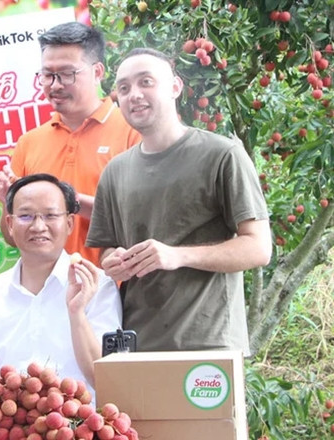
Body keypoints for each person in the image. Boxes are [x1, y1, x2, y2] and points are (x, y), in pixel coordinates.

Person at [86, 48, 273, 355]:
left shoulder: (222, 155)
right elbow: (106, 250)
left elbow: (258, 248)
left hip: (209, 344)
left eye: (146, 82)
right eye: (124, 88)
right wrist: (114, 262)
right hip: (135, 343)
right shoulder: (114, 171)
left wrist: (177, 255)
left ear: (175, 87)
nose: (134, 95)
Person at [0, 22, 141, 266]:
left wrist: (65, 200)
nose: (55, 85)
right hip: (50, 286)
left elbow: (143, 217)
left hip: (117, 282)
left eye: (68, 74)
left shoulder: (132, 132)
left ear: (97, 72)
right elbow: (12, 239)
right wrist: (9, 203)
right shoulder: (29, 143)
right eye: (47, 75)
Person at [0, 174, 122, 389]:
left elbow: (106, 380)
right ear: (10, 224)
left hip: (81, 410)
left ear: (69, 223)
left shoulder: (97, 286)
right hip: (9, 410)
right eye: (26, 216)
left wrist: (77, 313)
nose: (38, 226)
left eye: (50, 215)